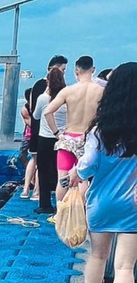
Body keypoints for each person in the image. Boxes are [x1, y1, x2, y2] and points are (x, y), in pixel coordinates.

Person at [68, 62, 137, 283]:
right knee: (125, 266)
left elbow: (88, 166)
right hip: (133, 204)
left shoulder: (101, 130)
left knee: (97, 257)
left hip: (102, 202)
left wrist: (76, 174)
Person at [44, 55, 104, 204]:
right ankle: (82, 214)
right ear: (93, 70)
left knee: (63, 179)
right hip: (88, 138)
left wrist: (57, 133)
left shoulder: (68, 91)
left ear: (76, 71)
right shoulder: (102, 92)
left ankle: (60, 214)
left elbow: (47, 112)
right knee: (83, 179)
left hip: (68, 138)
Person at [32, 68, 66, 214]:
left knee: (43, 171)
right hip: (63, 138)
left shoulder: (43, 98)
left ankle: (45, 204)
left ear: (48, 81)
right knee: (62, 172)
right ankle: (63, 204)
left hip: (45, 138)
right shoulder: (66, 97)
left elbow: (36, 115)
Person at [29, 55, 68, 167]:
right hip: (55, 135)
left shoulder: (39, 88)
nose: (64, 73)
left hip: (43, 134)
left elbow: (34, 111)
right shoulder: (64, 92)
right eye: (63, 70)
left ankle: (34, 185)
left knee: (42, 168)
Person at [20, 88, 38, 198]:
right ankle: (30, 177)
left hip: (37, 135)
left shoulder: (38, 106)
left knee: (36, 159)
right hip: (28, 135)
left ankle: (33, 181)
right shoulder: (25, 109)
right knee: (22, 155)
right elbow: (31, 123)